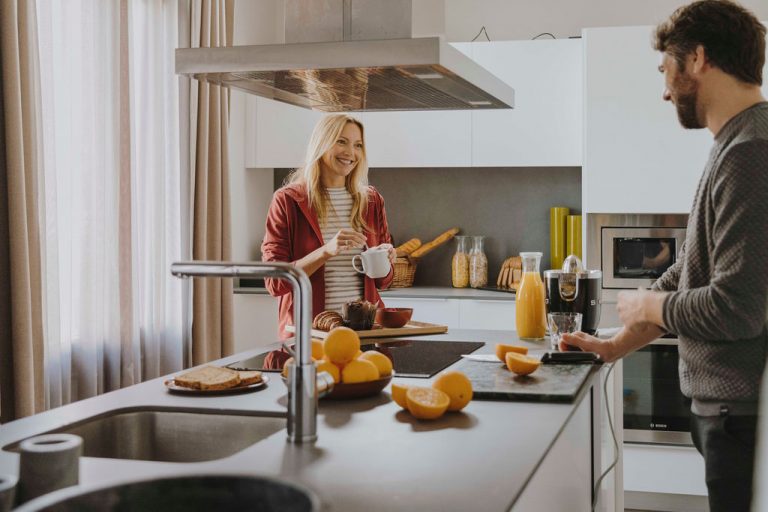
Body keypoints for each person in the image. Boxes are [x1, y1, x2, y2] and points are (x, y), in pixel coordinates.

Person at [561, 2, 767, 511]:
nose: (665, 89)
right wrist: (614, 345)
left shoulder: (750, 151)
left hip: (736, 413)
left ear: (696, 58)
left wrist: (648, 308)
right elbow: (690, 269)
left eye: (665, 70)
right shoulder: (736, 143)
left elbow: (738, 307)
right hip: (727, 411)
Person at [262, 114, 396, 340]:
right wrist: (325, 251)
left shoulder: (371, 201)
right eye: (341, 141)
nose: (350, 153)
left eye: (358, 145)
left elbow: (383, 282)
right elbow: (275, 282)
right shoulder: (288, 200)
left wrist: (387, 260)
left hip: (364, 334)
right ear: (321, 144)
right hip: (309, 335)